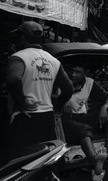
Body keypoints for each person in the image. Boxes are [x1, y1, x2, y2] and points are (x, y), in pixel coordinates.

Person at [5, 21, 74, 155]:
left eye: (17, 37)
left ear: (22, 38)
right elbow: (69, 88)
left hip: (26, 117)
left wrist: (22, 101)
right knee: (44, 158)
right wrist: (57, 106)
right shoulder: (53, 61)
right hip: (47, 118)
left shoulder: (18, 57)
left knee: (22, 161)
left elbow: (13, 79)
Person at [61, 62, 108, 180]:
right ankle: (95, 161)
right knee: (84, 130)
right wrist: (64, 101)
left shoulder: (89, 82)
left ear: (84, 73)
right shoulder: (62, 81)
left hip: (82, 117)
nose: (73, 75)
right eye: (71, 71)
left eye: (77, 72)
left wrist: (104, 108)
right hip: (66, 121)